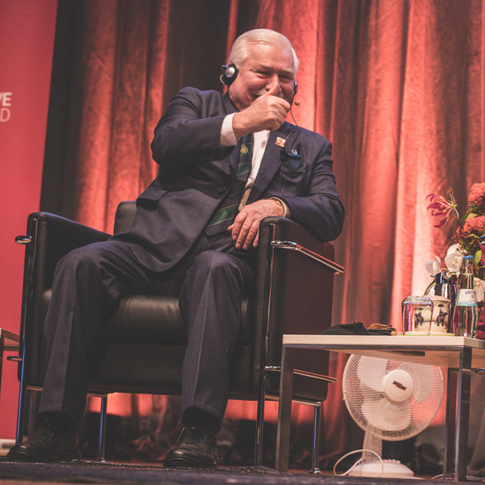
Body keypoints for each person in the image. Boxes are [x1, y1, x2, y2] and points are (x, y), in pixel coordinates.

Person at [8, 29, 345, 468]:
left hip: (230, 258)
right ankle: (56, 427)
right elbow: (165, 145)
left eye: (285, 78)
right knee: (79, 264)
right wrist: (242, 123)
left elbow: (330, 211)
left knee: (213, 269)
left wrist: (280, 202)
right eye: (263, 73)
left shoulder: (309, 145)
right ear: (230, 72)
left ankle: (199, 432)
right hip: (150, 248)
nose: (275, 86)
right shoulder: (197, 104)